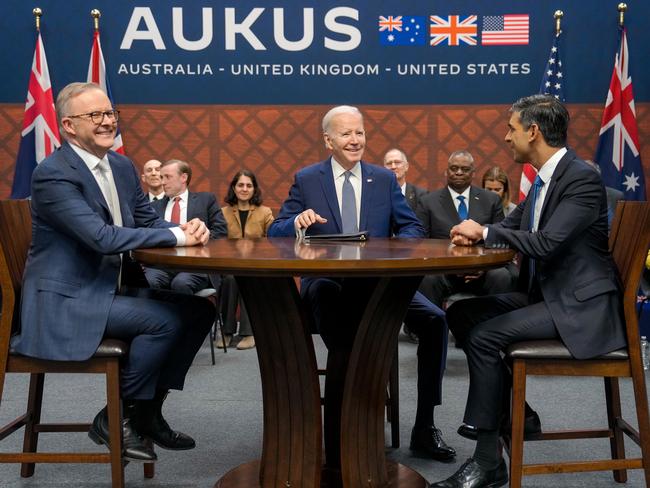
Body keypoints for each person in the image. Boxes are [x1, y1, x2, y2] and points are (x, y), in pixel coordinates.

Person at [10, 82, 216, 462]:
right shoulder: (53, 174)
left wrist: (188, 229)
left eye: (109, 114)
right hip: (66, 301)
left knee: (201, 310)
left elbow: (147, 220)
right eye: (95, 116)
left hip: (107, 290)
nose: (107, 122)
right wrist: (175, 237)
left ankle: (146, 413)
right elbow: (101, 237)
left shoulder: (121, 165)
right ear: (69, 126)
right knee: (164, 322)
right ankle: (119, 417)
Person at [430, 94, 625, 488]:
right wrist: (478, 240)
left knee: (485, 337)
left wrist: (483, 230)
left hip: (579, 306)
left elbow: (546, 242)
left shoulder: (580, 178)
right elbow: (514, 230)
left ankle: (488, 461)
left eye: (512, 129)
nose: (506, 138)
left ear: (533, 132)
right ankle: (517, 413)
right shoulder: (544, 180)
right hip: (549, 296)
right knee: (461, 314)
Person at [268, 105, 455, 465]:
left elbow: (412, 227)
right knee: (341, 322)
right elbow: (274, 230)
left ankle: (424, 426)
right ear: (328, 140)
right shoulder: (307, 179)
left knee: (434, 322)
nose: (355, 140)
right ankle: (342, 426)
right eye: (346, 134)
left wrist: (394, 253)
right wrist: (297, 223)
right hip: (325, 281)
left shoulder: (383, 180)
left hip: (377, 284)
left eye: (360, 133)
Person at [416, 151, 514, 309]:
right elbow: (421, 244)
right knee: (426, 279)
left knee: (501, 276)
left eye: (464, 169)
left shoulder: (490, 200)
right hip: (444, 271)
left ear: (473, 173)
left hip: (483, 270)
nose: (459, 172)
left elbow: (501, 239)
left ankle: (497, 329)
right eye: (454, 168)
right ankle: (429, 331)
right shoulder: (428, 202)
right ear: (446, 171)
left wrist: (482, 266)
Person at [146, 159, 227, 294]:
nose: (163, 182)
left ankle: (187, 315)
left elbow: (221, 233)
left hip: (196, 265)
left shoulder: (206, 200)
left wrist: (198, 240)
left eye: (167, 177)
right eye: (161, 177)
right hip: (163, 265)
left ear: (183, 177)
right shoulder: (153, 207)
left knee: (181, 283)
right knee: (148, 280)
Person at [219, 169, 274, 350]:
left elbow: (273, 243)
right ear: (234, 188)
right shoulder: (223, 213)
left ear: (254, 189)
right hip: (229, 265)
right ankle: (227, 332)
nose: (244, 189)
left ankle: (249, 333)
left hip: (256, 265)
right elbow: (217, 242)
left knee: (248, 278)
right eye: (240, 185)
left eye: (248, 185)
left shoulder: (265, 213)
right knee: (230, 279)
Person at [383, 147, 427, 343]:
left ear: (407, 166)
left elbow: (422, 229)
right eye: (389, 163)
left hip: (412, 252)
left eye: (397, 162)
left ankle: (414, 326)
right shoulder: (378, 195)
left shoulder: (421, 195)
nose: (393, 166)